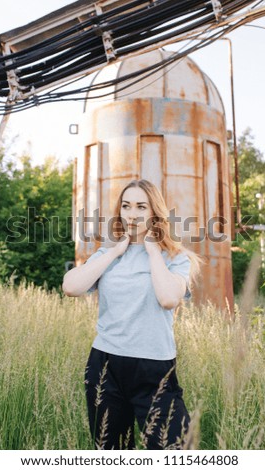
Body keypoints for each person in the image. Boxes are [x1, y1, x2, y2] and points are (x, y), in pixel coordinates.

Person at [63, 179, 201, 450]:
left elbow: (168, 298)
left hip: (154, 368)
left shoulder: (174, 257)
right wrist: (115, 250)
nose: (132, 214)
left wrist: (152, 251)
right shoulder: (107, 254)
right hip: (105, 365)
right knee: (111, 451)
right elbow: (71, 287)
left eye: (141, 206)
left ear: (154, 212)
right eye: (126, 206)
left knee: (175, 451)